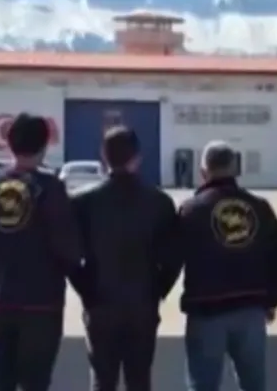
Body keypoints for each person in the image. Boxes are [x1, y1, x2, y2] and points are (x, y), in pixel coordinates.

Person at [0, 114, 82, 391]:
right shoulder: (51, 189)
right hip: (42, 304)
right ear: (44, 146)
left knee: (2, 377)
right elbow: (66, 247)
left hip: (0, 303)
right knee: (36, 381)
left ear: (8, 144)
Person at [69, 126, 182, 391]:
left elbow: (69, 256)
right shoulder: (159, 202)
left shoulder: (83, 202)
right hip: (142, 303)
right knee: (139, 379)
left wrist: (86, 291)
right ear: (137, 157)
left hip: (100, 302)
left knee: (103, 380)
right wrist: (158, 290)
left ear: (103, 156)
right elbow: (175, 257)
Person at [177, 142, 277, 391]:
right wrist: (272, 299)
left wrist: (156, 292)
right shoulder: (260, 208)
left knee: (202, 385)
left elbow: (172, 257)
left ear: (203, 172)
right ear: (235, 169)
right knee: (253, 385)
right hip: (250, 310)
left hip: (206, 312)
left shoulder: (191, 210)